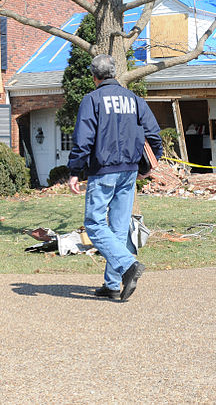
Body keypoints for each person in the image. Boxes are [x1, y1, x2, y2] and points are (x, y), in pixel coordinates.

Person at [67, 54, 162, 301]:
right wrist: (151, 163)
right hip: (129, 171)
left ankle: (128, 264)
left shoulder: (92, 100)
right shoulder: (134, 99)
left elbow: (83, 140)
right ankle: (111, 284)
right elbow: (154, 134)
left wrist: (75, 171)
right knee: (118, 228)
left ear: (94, 76)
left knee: (94, 224)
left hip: (103, 171)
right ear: (114, 73)